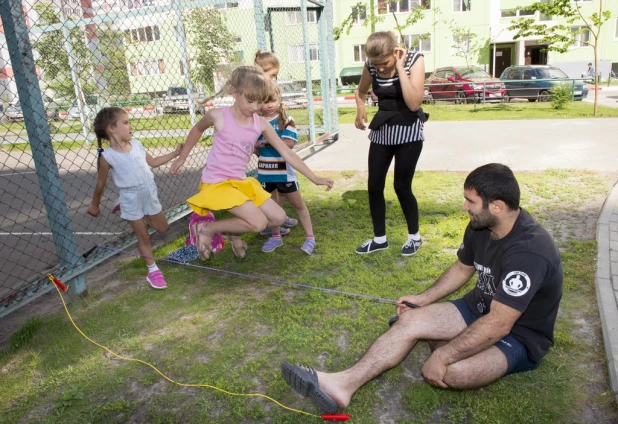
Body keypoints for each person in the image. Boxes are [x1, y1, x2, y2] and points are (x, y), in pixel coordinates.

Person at [280, 163, 563, 414]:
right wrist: (423, 299)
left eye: (470, 201)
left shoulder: (529, 252)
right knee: (409, 320)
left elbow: (500, 324)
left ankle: (450, 343)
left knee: (451, 372)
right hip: (477, 308)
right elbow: (462, 268)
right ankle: (343, 385)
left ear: (497, 206)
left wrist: (444, 354)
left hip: (519, 335)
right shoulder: (480, 226)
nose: (465, 207)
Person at [170, 66, 333, 260]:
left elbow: (287, 154)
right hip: (217, 182)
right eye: (250, 101)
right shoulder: (218, 116)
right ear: (235, 93)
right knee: (258, 223)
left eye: (260, 102)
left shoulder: (260, 123)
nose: (256, 107)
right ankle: (206, 229)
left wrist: (315, 178)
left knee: (278, 218)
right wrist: (182, 157)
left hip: (240, 183)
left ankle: (232, 232)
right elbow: (197, 129)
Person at [88, 107, 183, 289]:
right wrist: (94, 205)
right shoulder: (107, 157)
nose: (130, 126)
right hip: (130, 198)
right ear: (111, 128)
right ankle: (153, 272)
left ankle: (125, 209)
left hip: (149, 192)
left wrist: (175, 153)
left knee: (162, 228)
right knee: (144, 237)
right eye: (125, 122)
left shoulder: (137, 145)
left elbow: (153, 162)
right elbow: (101, 184)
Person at [353, 31, 428, 257]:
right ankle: (379, 239)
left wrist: (401, 66)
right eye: (376, 64)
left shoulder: (415, 59)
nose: (381, 69)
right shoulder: (372, 64)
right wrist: (360, 107)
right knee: (374, 185)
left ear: (395, 51)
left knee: (401, 187)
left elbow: (414, 103)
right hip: (382, 129)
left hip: (409, 129)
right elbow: (361, 90)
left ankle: (414, 237)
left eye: (385, 63)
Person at [256, 80, 316, 255]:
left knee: (298, 205)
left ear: (279, 99)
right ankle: (276, 237)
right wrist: (256, 147)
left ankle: (310, 237)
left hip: (285, 174)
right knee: (272, 207)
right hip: (265, 174)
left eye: (273, 101)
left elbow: (289, 143)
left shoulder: (286, 119)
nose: (269, 106)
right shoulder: (256, 121)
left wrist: (267, 140)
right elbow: (255, 147)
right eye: (265, 102)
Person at [254, 50, 298, 236]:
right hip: (266, 159)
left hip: (278, 161)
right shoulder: (254, 95)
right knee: (268, 193)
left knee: (280, 189)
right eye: (272, 75)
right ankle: (271, 222)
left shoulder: (269, 93)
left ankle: (277, 218)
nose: (274, 79)